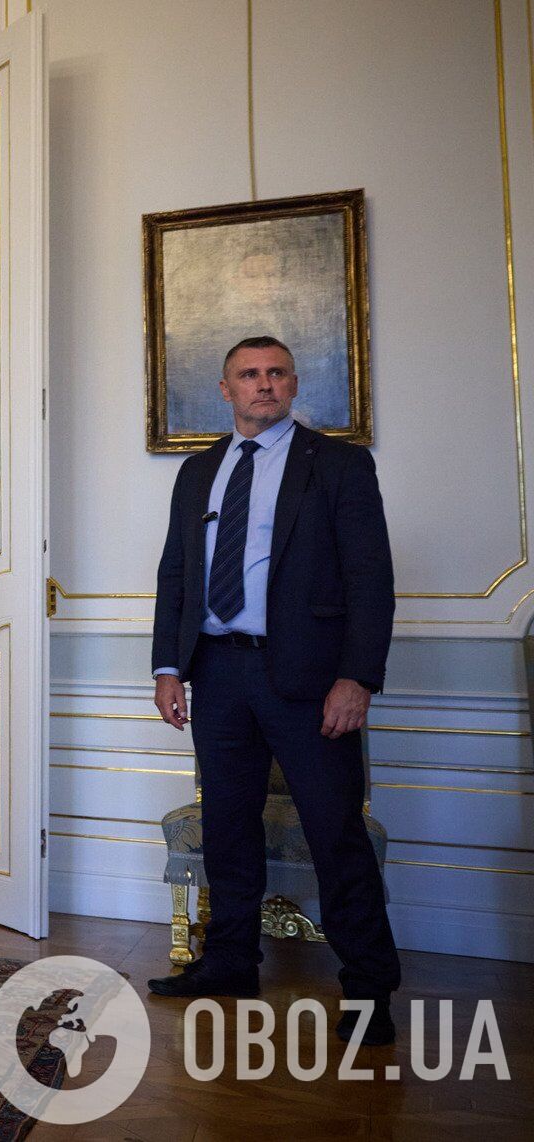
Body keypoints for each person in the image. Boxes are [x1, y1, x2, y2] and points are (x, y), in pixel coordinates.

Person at [145, 336, 401, 1047]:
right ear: (225, 390)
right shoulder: (199, 472)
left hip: (309, 680)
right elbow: (176, 575)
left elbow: (369, 579)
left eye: (276, 373)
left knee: (335, 832)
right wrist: (168, 666)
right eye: (249, 375)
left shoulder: (339, 465)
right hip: (217, 673)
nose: (264, 385)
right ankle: (229, 962)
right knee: (227, 825)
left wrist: (357, 677)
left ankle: (369, 991)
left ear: (293, 385)